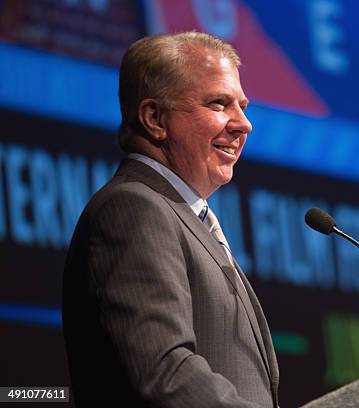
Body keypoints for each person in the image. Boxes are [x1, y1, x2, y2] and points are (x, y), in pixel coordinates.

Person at [62, 31, 279, 407]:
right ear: (154, 118)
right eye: (218, 104)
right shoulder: (134, 209)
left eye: (242, 106)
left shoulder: (184, 216)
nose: (244, 124)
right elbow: (164, 372)